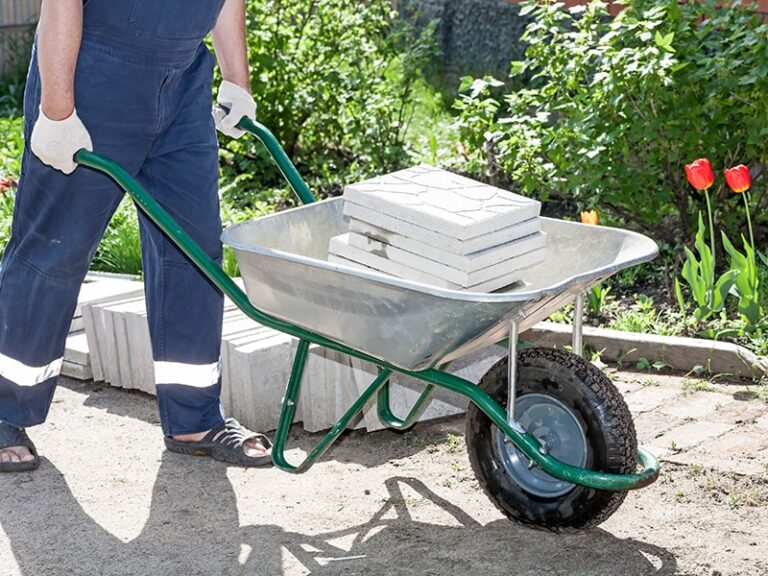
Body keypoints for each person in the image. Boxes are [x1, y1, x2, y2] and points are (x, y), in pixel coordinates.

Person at [0, 0, 272, 472]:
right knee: (53, 254)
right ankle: (4, 410)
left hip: (183, 80)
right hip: (94, 76)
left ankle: (195, 416)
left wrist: (236, 80)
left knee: (192, 252)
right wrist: (58, 109)